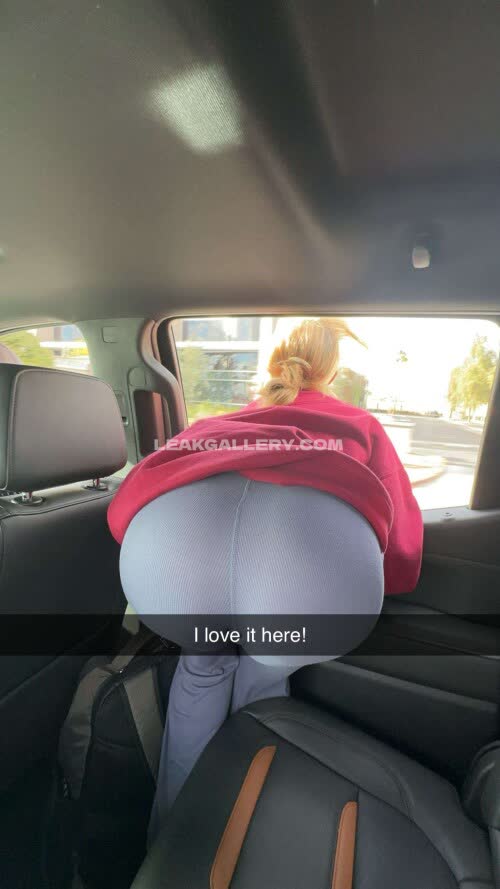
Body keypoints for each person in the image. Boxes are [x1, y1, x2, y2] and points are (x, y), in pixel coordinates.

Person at [109, 318, 423, 837]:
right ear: (332, 373)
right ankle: (242, 838)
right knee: (264, 677)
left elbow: (133, 502)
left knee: (200, 670)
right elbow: (401, 546)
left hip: (172, 557)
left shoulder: (219, 422)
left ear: (276, 364)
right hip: (297, 578)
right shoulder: (360, 425)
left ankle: (170, 841)